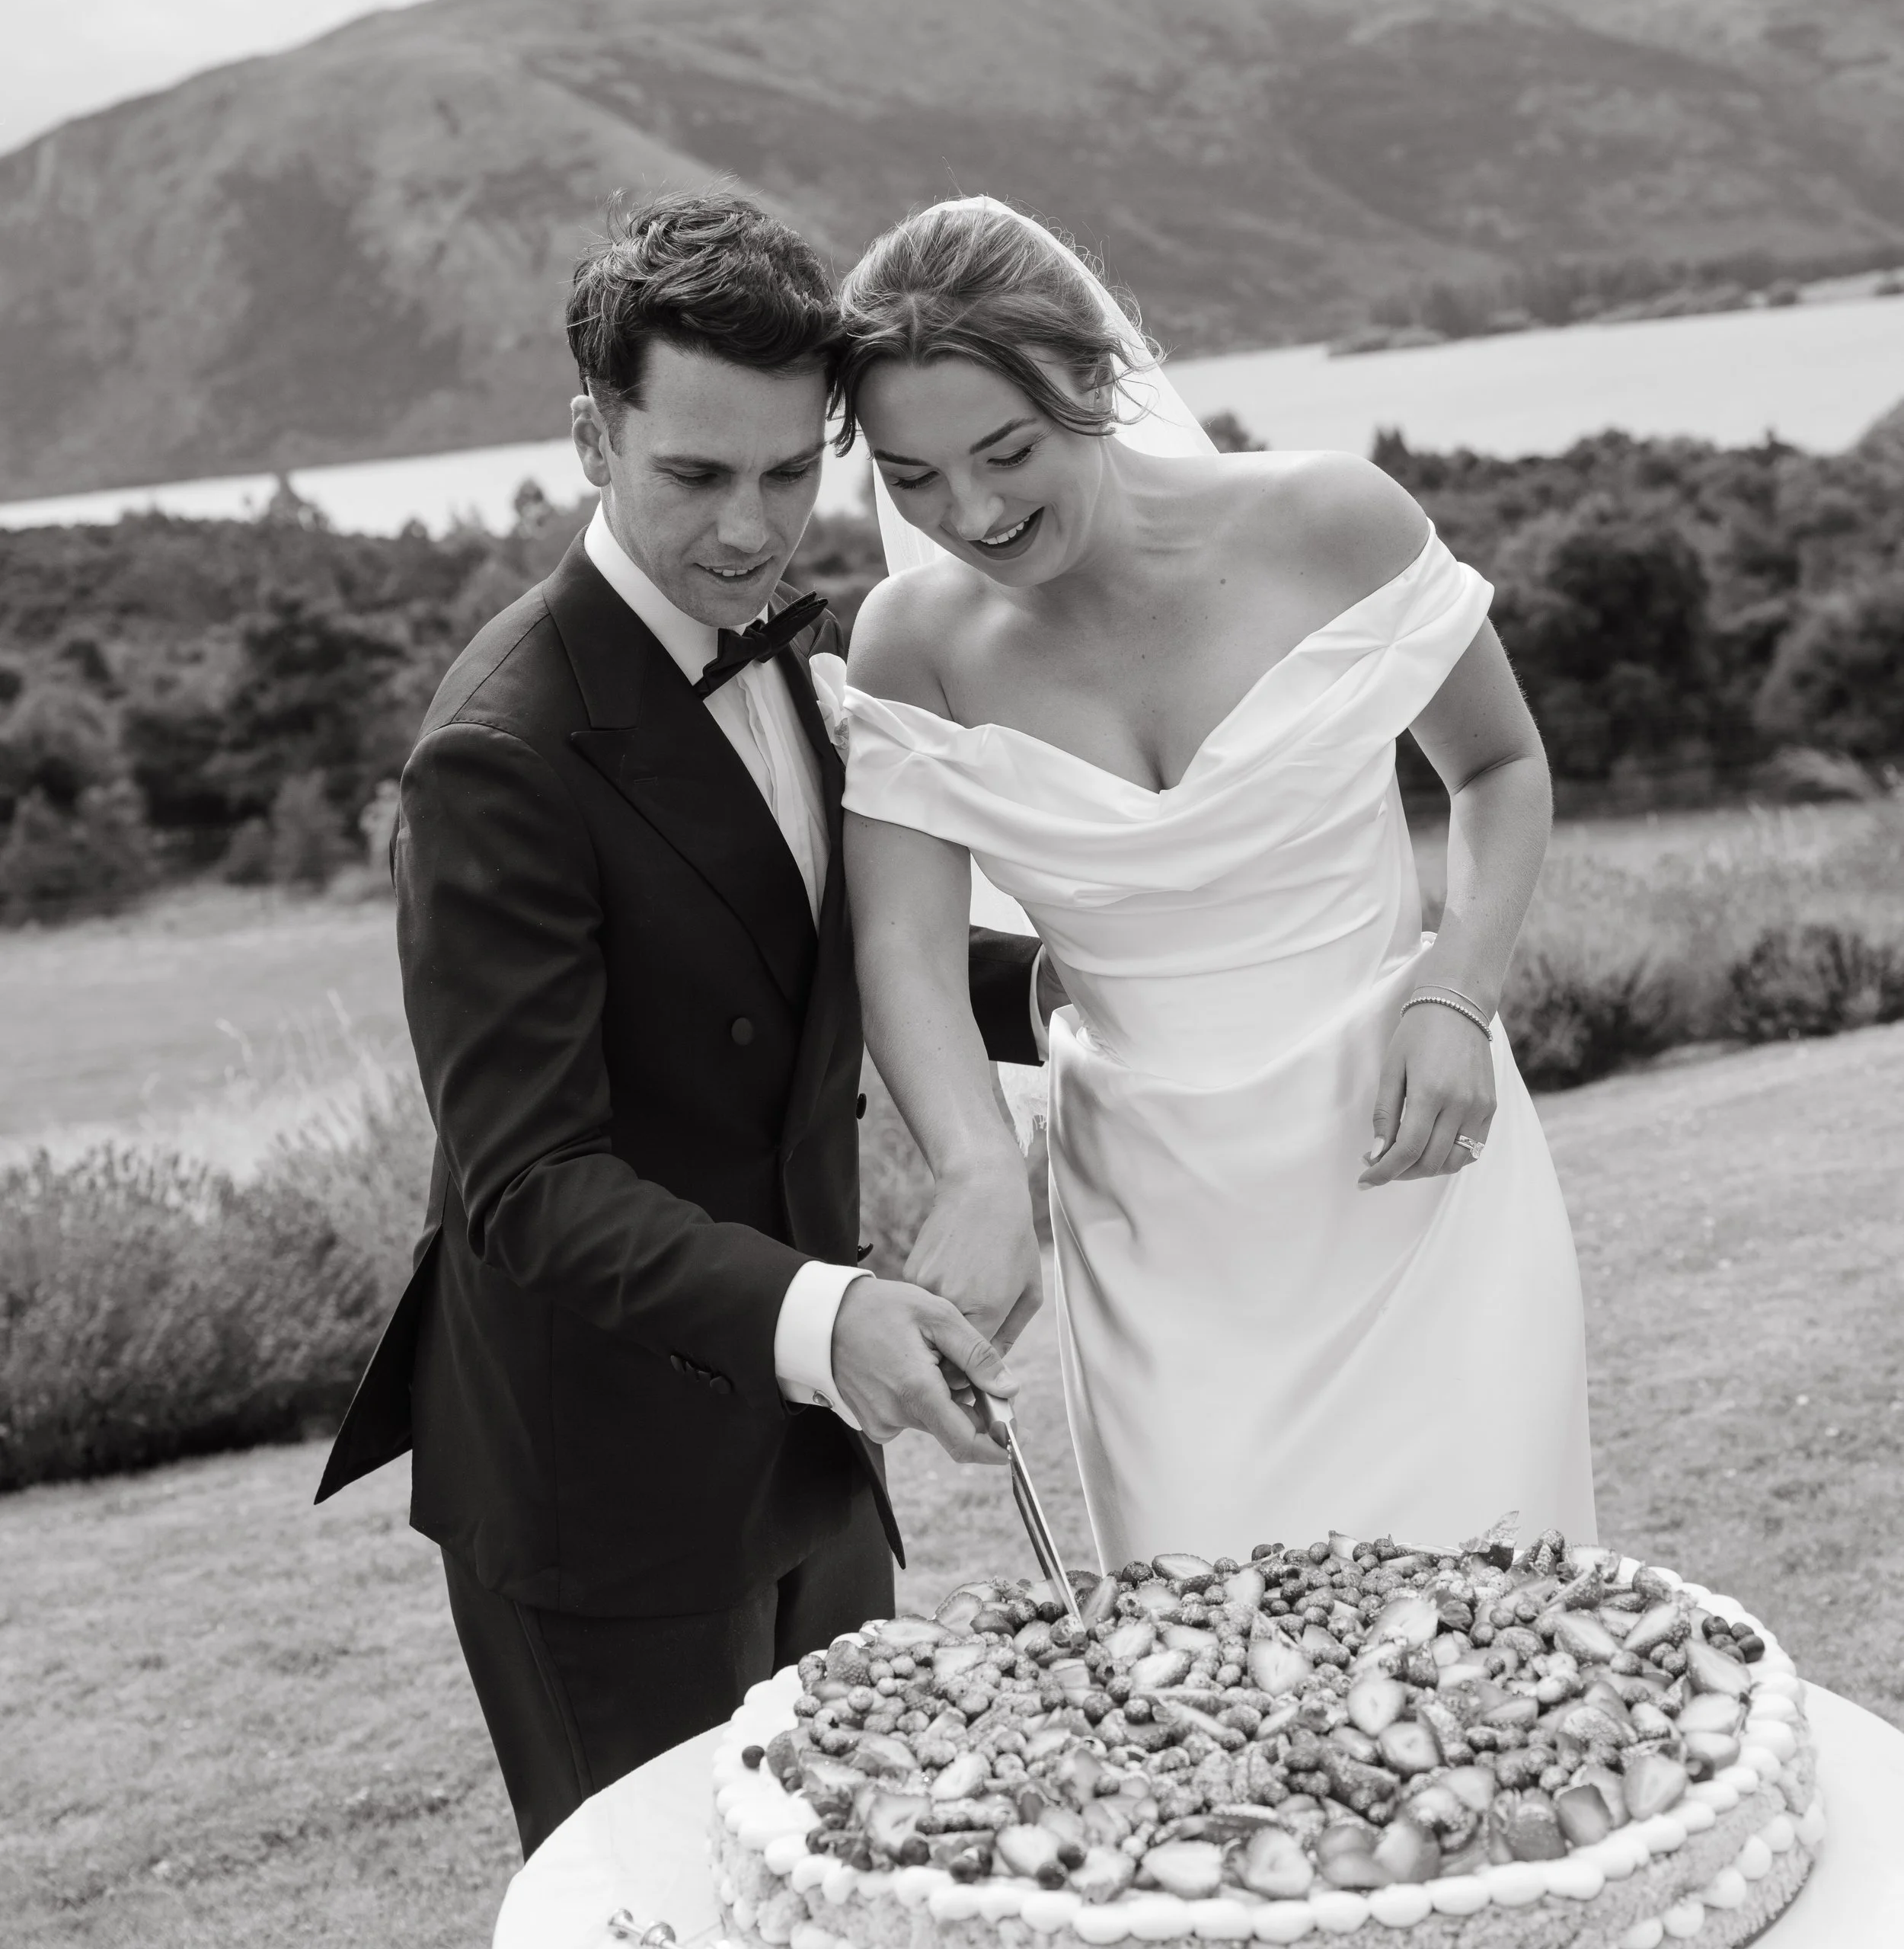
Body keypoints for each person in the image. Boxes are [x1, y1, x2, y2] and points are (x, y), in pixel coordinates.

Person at [315, 192, 1053, 1858]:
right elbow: (529, 1182)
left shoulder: (796, 654)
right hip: (607, 1483)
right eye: (696, 476)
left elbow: (824, 956)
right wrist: (829, 1317)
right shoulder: (500, 752)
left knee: (870, 1891)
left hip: (805, 1444)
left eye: (793, 474)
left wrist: (1053, 992)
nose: (749, 530)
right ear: (593, 437)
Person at [829, 197, 1596, 1570]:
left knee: (1509, 1643)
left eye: (1007, 451)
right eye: (913, 479)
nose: (974, 513)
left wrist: (1460, 993)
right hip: (1157, 1231)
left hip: (1418, 1173)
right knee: (1211, 1672)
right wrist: (977, 1166)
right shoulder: (910, 645)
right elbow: (904, 952)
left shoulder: (1333, 520)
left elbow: (1501, 769)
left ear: (1097, 379)